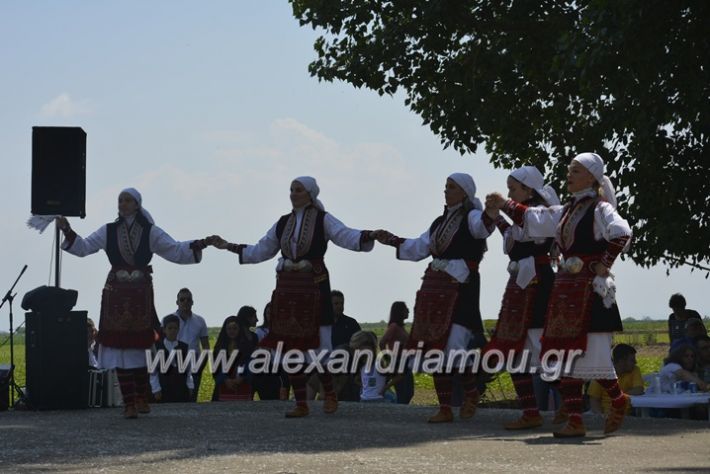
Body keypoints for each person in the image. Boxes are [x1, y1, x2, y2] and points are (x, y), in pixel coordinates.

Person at [487, 152, 632, 437]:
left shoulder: (599, 208)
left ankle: (618, 399)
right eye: (569, 170)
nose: (569, 175)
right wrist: (505, 204)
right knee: (563, 355)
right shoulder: (566, 210)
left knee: (595, 356)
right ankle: (575, 421)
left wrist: (604, 263)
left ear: (591, 177)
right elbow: (534, 218)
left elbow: (621, 232)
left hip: (588, 292)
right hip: (565, 292)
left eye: (575, 171)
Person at [208, 176, 376, 417]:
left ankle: (329, 393)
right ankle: (301, 403)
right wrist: (228, 246)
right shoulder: (282, 223)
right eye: (291, 190)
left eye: (298, 190)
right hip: (288, 293)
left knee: (320, 351)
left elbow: (345, 235)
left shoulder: (322, 219)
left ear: (310, 194)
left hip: (315, 291)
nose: (293, 194)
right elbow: (261, 249)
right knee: (289, 352)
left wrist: (369, 236)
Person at [57, 188, 207, 418]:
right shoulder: (108, 230)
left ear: (137, 204)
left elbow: (174, 249)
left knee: (139, 349)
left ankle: (139, 396)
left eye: (128, 200)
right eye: (120, 200)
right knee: (119, 351)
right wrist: (67, 229)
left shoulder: (150, 232)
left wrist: (200, 243)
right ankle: (129, 402)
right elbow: (85, 247)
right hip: (115, 293)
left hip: (140, 294)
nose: (123, 204)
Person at [376, 173, 494, 423]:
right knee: (433, 350)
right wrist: (391, 240)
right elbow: (419, 247)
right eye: (446, 187)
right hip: (434, 291)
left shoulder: (472, 218)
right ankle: (446, 407)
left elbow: (484, 227)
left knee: (453, 349)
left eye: (451, 187)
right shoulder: (439, 222)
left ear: (464, 192)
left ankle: (470, 393)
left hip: (461, 290)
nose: (446, 191)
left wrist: (492, 211)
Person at [482, 166, 559, 430]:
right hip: (519, 286)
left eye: (513, 189)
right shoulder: (521, 216)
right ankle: (530, 412)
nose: (509, 193)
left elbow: (528, 226)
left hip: (538, 284)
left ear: (528, 190)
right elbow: (511, 237)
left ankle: (570, 409)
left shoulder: (540, 214)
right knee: (514, 353)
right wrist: (496, 215)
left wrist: (504, 206)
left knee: (543, 349)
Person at [167, 288, 210, 402]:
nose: (185, 302)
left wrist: (200, 367)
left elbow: (206, 347)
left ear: (192, 302)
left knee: (192, 400)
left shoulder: (200, 321)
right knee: (173, 400)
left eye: (188, 299)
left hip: (194, 367)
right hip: (173, 367)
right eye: (182, 299)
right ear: (177, 302)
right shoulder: (167, 321)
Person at [212, 314, 258, 401]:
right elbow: (216, 367)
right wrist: (226, 380)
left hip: (243, 384)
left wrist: (241, 377)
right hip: (223, 386)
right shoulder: (219, 346)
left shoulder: (247, 346)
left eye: (235, 328)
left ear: (239, 329)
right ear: (225, 330)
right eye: (229, 329)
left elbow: (251, 363)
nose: (232, 331)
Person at [588, 344, 643, 415]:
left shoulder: (635, 369)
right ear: (622, 361)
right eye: (632, 360)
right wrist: (600, 417)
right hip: (606, 415)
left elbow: (639, 390)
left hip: (629, 416)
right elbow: (594, 399)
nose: (636, 362)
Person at [150, 315, 194, 403]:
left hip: (181, 387)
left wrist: (190, 385)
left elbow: (189, 370)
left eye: (175, 328)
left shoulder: (185, 347)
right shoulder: (157, 347)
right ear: (164, 330)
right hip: (163, 387)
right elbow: (153, 371)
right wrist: (156, 388)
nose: (173, 331)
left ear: (178, 329)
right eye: (170, 328)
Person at [350, 331, 401, 403]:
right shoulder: (362, 364)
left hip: (379, 400)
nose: (356, 352)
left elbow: (399, 375)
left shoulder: (379, 363)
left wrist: (384, 389)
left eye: (358, 348)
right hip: (364, 399)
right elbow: (357, 379)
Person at [379, 301, 414, 404]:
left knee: (408, 392)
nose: (408, 311)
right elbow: (382, 342)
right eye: (405, 309)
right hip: (398, 360)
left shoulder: (400, 327)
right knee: (404, 392)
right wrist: (388, 359)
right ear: (399, 311)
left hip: (405, 361)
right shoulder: (394, 326)